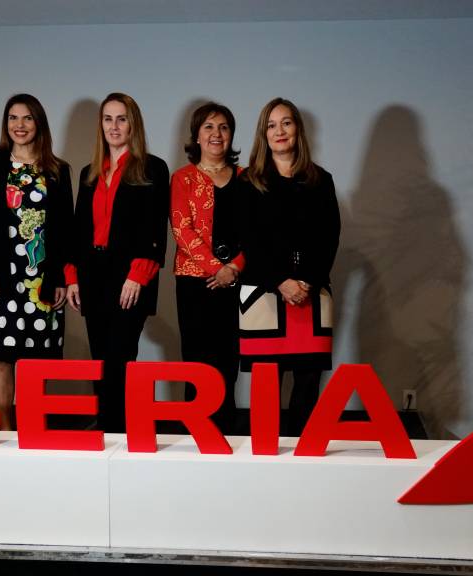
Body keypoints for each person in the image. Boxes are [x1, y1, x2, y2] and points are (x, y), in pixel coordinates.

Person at [66, 93, 169, 433]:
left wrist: (138, 275)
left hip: (129, 275)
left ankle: (119, 430)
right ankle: (108, 428)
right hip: (92, 275)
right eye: (107, 119)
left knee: (120, 356)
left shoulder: (152, 168)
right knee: (100, 358)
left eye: (121, 119)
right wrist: (72, 276)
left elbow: (154, 227)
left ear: (133, 124)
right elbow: (79, 230)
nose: (114, 126)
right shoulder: (89, 173)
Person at [238, 97, 341, 436]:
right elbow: (249, 240)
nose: (279, 131)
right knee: (266, 386)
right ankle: (266, 458)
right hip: (265, 294)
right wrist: (281, 280)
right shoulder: (249, 182)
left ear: (298, 129)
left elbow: (329, 236)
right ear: (263, 134)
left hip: (312, 294)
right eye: (271, 125)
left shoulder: (321, 180)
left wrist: (307, 280)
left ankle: (302, 454)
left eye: (286, 123)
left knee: (308, 383)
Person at [0, 94, 73, 431]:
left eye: (27, 118)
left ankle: (31, 434)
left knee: (36, 362)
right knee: (1, 359)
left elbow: (66, 231)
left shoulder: (58, 170)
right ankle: (4, 435)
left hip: (40, 283)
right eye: (13, 118)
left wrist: (61, 278)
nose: (20, 125)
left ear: (38, 123)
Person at [170, 102, 244, 434]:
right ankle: (195, 433)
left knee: (229, 359)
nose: (217, 134)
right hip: (194, 283)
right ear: (197, 136)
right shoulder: (182, 178)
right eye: (209, 127)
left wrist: (234, 268)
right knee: (197, 358)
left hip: (237, 281)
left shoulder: (248, 179)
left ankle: (226, 432)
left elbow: (256, 233)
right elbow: (181, 229)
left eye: (224, 127)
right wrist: (217, 268)